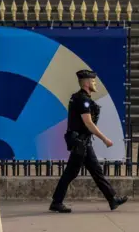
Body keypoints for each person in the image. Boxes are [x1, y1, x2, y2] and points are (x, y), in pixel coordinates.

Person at [49, 69, 128, 213]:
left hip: (83, 142)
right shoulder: (82, 100)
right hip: (80, 142)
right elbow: (88, 123)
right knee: (71, 173)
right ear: (86, 83)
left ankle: (112, 199)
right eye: (93, 81)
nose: (95, 83)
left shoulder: (80, 98)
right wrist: (105, 139)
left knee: (96, 172)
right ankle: (56, 202)